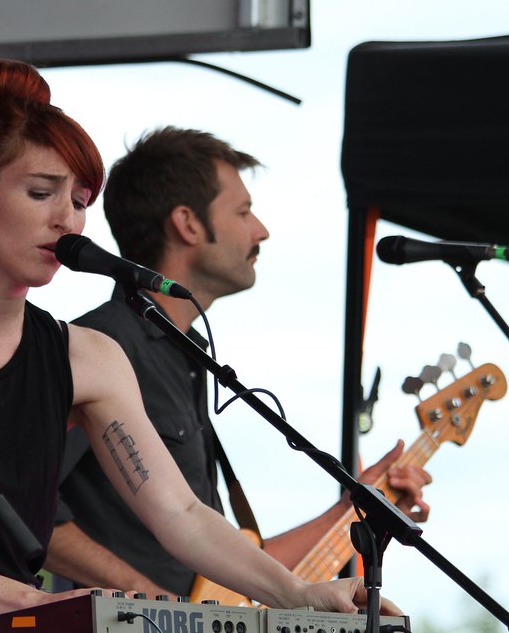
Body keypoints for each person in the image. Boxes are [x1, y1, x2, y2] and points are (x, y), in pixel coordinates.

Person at [0, 62, 400, 633]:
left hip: (15, 618)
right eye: (41, 193)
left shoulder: (86, 356)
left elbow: (181, 513)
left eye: (79, 201)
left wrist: (298, 594)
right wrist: (47, 604)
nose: (67, 220)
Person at [45, 127, 433, 601]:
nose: (260, 230)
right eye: (243, 211)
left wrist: (355, 509)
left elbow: (221, 575)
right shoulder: (102, 345)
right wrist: (145, 595)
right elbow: (25, 504)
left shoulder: (186, 359)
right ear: (188, 224)